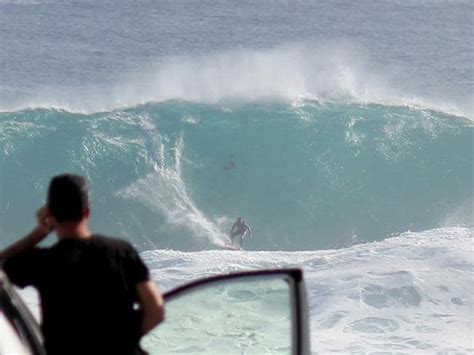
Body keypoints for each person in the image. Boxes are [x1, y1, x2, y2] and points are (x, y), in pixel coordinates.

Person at [0, 174, 165, 355]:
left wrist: (39, 233)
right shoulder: (121, 252)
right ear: (87, 212)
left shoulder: (43, 262)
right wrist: (122, 341)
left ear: (51, 215)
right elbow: (155, 310)